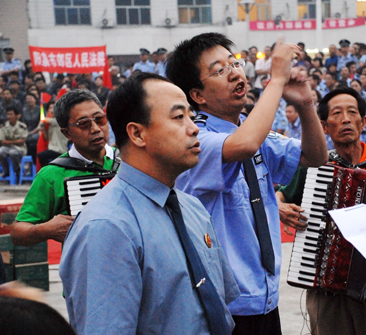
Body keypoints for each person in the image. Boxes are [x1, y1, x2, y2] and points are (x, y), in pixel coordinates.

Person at [167, 33, 327, 335]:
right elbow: (243, 145)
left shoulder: (251, 132)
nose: (235, 73)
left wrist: (306, 106)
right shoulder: (195, 139)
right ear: (197, 95)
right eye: (219, 70)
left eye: (234, 63)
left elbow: (314, 157)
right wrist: (277, 81)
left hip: (265, 297)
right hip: (223, 304)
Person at [60, 72, 239, 334]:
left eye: (191, 115)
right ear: (137, 134)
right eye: (179, 117)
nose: (194, 127)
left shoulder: (192, 209)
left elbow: (219, 306)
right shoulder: (107, 227)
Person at [276, 87, 366, 335]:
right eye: (337, 113)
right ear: (324, 127)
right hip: (326, 288)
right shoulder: (315, 166)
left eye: (352, 112)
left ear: (363, 122)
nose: (346, 119)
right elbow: (280, 194)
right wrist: (280, 206)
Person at [11, 90, 118, 246]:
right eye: (84, 124)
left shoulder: (132, 159)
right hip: (85, 266)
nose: (96, 128)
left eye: (100, 119)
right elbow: (17, 233)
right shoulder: (51, 175)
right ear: (67, 133)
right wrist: (46, 230)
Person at [0, 107, 28, 180]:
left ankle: (18, 171)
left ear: (16, 115)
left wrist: (9, 142)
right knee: (1, 151)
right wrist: (14, 142)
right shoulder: (4, 126)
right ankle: (6, 171)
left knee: (13, 153)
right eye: (8, 115)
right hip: (7, 147)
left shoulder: (22, 126)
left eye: (11, 114)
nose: (9, 116)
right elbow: (2, 141)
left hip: (19, 148)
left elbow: (22, 141)